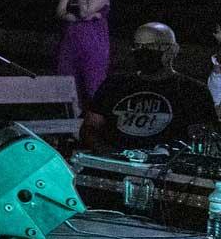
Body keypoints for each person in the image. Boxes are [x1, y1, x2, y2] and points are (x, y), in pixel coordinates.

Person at [81, 22, 219, 153]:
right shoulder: (115, 84)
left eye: (152, 46)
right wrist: (106, 153)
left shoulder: (192, 91)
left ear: (172, 50)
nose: (143, 52)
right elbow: (90, 127)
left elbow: (201, 138)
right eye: (137, 46)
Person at [53, 0, 112, 101]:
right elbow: (60, 11)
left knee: (92, 82)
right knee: (68, 82)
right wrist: (71, 17)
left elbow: (84, 13)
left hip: (93, 42)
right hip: (70, 40)